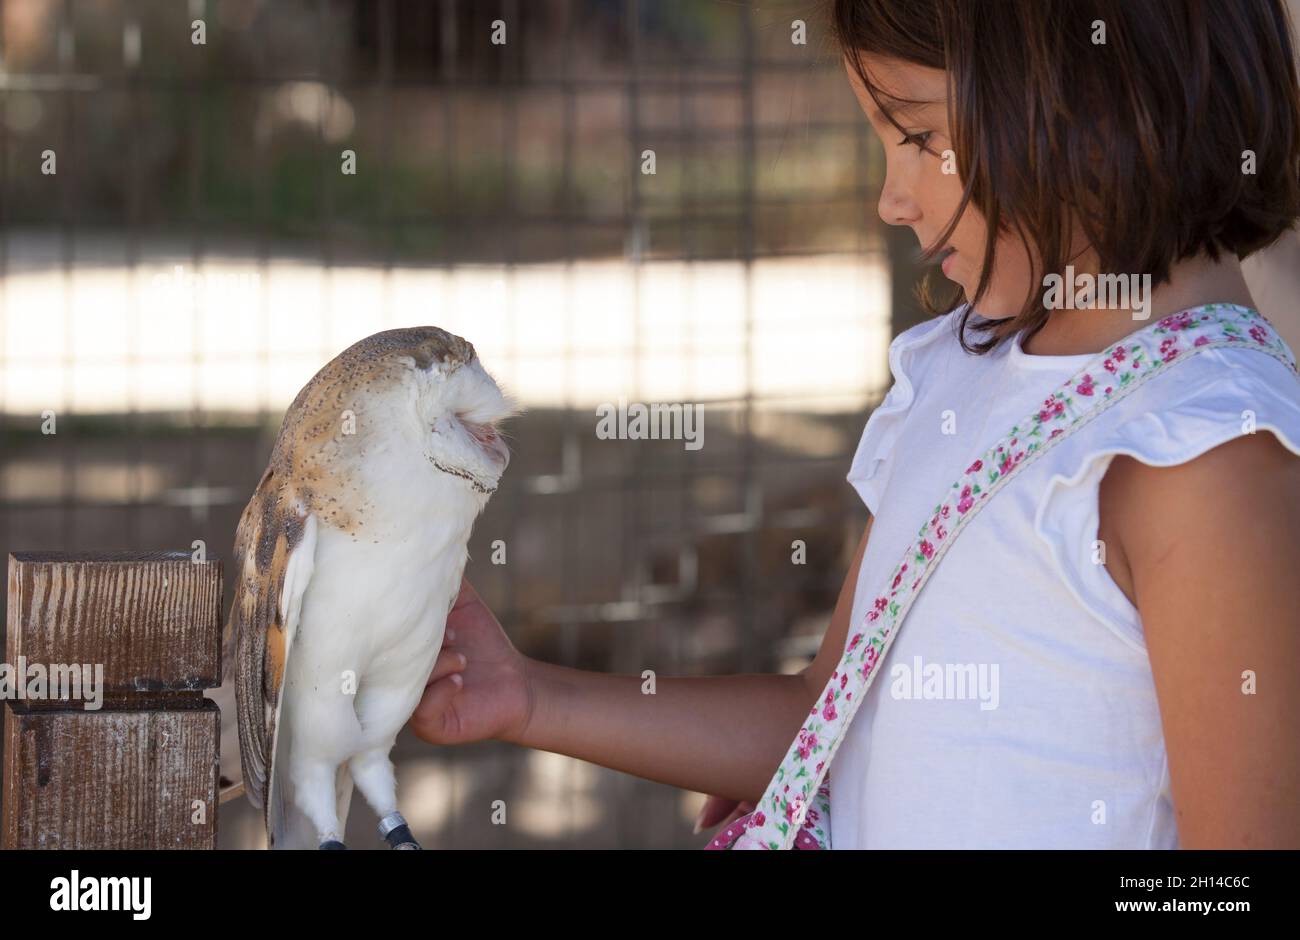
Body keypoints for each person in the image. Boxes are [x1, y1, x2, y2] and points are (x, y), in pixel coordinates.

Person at [407, 0, 1300, 849]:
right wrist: (524, 696)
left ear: (1096, 94)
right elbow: (827, 717)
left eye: (920, 138)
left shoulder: (1206, 452)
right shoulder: (961, 368)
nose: (892, 199)